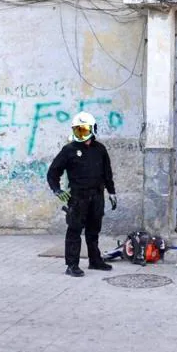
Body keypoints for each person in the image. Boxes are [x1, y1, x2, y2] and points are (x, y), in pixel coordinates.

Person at [47, 111, 117, 277]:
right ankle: (72, 265)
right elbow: (53, 172)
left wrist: (112, 193)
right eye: (78, 130)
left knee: (94, 230)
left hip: (97, 195)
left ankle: (95, 260)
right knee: (74, 230)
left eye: (84, 130)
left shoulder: (100, 149)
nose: (81, 134)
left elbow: (108, 173)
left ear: (93, 129)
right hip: (78, 197)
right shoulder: (69, 150)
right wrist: (57, 190)